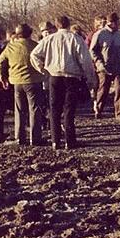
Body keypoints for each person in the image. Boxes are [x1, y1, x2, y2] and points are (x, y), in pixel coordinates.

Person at [31, 16, 97, 149]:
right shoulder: (75, 39)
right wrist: (90, 78)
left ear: (56, 25)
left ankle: (55, 141)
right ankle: (70, 141)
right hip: (71, 77)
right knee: (69, 110)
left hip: (54, 76)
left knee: (54, 109)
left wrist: (42, 68)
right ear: (69, 24)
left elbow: (34, 54)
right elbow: (85, 60)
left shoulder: (49, 39)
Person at [0, 24, 45, 145]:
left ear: (17, 34)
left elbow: (0, 63)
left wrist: (3, 78)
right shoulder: (36, 46)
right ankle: (35, 137)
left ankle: (19, 137)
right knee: (34, 109)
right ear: (30, 33)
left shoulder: (10, 47)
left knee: (19, 109)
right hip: (34, 81)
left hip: (17, 82)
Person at [90, 12, 120, 121]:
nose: (116, 24)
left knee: (119, 90)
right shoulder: (100, 34)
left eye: (117, 22)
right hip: (104, 68)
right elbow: (92, 51)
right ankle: (99, 110)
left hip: (118, 67)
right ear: (109, 22)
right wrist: (99, 64)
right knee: (103, 90)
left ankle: (119, 114)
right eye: (114, 22)